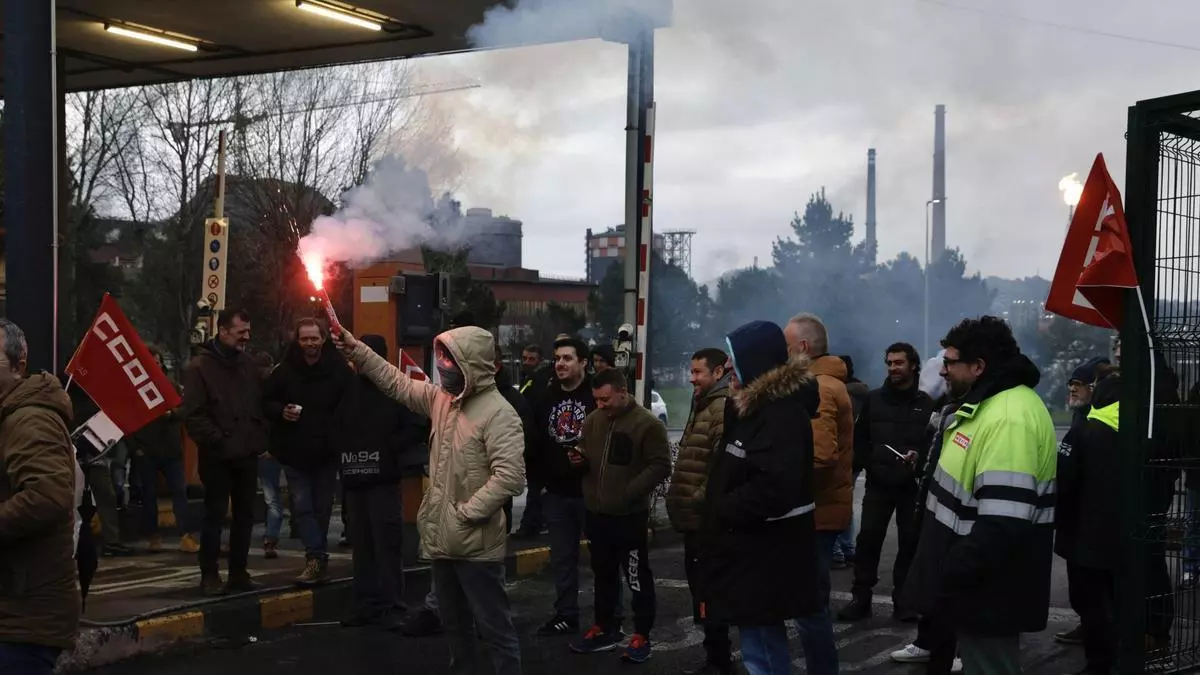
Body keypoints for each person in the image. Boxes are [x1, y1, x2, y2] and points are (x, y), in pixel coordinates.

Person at [334, 325, 525, 675]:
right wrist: (355, 348)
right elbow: (395, 382)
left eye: (450, 359)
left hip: (476, 545)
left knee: (494, 627)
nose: (443, 366)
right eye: (442, 358)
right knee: (454, 624)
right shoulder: (441, 401)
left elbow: (510, 477)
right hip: (443, 540)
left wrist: (466, 514)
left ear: (471, 363)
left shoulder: (499, 413)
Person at [902, 316, 1057, 675]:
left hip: (989, 591)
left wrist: (950, 573)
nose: (943, 371)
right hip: (976, 587)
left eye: (950, 362)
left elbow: (1003, 524)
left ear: (978, 366)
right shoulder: (991, 404)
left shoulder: (1009, 418)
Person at [701, 320, 820, 675]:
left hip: (767, 554)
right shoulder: (753, 408)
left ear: (754, 362)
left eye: (733, 360)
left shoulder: (781, 415)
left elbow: (773, 488)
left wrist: (722, 508)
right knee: (757, 643)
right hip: (752, 551)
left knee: (764, 650)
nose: (728, 369)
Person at [568, 368, 671, 663]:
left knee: (636, 577)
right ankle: (605, 627)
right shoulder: (593, 421)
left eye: (606, 399)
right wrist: (578, 459)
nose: (600, 405)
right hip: (597, 514)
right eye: (597, 400)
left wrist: (629, 491)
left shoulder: (647, 424)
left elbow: (661, 465)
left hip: (629, 516)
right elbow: (587, 455)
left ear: (623, 392)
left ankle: (642, 634)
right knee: (603, 574)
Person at [0, 319, 81, 674]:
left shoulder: (30, 419)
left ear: (18, 366)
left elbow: (46, 496)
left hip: (24, 616)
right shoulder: (10, 416)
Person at [838, 343, 933, 622]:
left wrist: (919, 458)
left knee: (909, 543)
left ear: (913, 365)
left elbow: (932, 443)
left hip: (911, 487)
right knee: (868, 540)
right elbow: (860, 438)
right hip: (878, 484)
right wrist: (870, 462)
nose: (893, 368)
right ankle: (861, 599)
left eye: (898, 363)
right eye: (889, 363)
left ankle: (904, 602)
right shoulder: (874, 399)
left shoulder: (927, 404)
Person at [263, 318, 355, 586]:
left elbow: (351, 405)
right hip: (294, 450)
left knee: (322, 508)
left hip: (327, 451)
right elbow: (266, 401)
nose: (310, 343)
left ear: (323, 339)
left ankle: (317, 558)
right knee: (302, 507)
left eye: (314, 338)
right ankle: (315, 557)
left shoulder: (339, 370)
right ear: (297, 340)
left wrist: (337, 431)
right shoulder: (284, 371)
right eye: (304, 339)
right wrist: (282, 411)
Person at [339, 334, 422, 630]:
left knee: (386, 545)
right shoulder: (347, 389)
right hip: (355, 479)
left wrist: (387, 448)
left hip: (383, 480)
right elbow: (335, 424)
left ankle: (392, 605)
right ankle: (367, 605)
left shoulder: (395, 388)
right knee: (362, 546)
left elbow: (416, 426)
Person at [782, 313, 850, 675]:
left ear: (803, 347)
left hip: (817, 511)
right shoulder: (822, 383)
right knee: (811, 603)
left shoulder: (819, 388)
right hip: (821, 509)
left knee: (810, 607)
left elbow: (820, 456)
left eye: (787, 346)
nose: (783, 353)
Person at [183, 309, 268, 596]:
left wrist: (257, 437)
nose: (247, 337)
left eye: (248, 331)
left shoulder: (247, 365)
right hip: (217, 455)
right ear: (223, 331)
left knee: (245, 515)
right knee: (215, 514)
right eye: (241, 331)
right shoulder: (199, 368)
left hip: (246, 452)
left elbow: (257, 403)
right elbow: (194, 415)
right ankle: (209, 574)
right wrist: (218, 440)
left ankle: (238, 573)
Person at [666, 347, 733, 675]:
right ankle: (716, 657)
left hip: (705, 522)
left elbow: (721, 466)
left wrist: (697, 498)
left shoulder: (721, 408)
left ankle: (719, 662)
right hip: (695, 521)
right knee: (702, 591)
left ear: (718, 372)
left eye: (698, 372)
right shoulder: (703, 402)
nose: (691, 378)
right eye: (691, 371)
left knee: (709, 592)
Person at [1055, 363, 1120, 675]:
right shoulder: (1135, 428)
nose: (1073, 388)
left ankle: (1099, 665)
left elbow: (1064, 485)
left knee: (1093, 604)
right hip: (1121, 534)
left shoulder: (1083, 432)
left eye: (1081, 383)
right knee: (1115, 601)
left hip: (1085, 535)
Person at [533, 337, 597, 636]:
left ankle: (608, 618)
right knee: (562, 560)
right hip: (556, 494)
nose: (560, 363)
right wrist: (540, 485)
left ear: (583, 362)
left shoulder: (596, 395)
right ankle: (566, 615)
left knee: (603, 560)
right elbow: (535, 442)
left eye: (567, 358)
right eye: (557, 358)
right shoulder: (546, 397)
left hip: (591, 493)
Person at [128, 346, 199, 554]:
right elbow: (128, 420)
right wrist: (135, 448)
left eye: (158, 362)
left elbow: (185, 410)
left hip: (171, 451)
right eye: (152, 362)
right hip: (146, 451)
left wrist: (172, 414)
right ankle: (153, 536)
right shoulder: (135, 390)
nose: (156, 365)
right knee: (149, 495)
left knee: (179, 492)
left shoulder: (172, 386)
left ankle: (185, 535)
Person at [494, 342, 538, 536]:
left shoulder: (511, 400)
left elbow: (525, 438)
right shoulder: (463, 395)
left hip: (497, 481)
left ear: (495, 366)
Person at [833, 354, 869, 570]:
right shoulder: (864, 394)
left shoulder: (838, 394)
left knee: (834, 503)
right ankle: (848, 549)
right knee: (845, 503)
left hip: (841, 455)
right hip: (855, 457)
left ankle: (837, 552)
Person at [515, 344, 551, 538]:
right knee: (535, 486)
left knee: (536, 486)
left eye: (531, 359)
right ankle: (535, 522)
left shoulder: (540, 381)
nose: (526, 362)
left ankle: (531, 525)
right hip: (529, 441)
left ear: (540, 360)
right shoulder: (528, 379)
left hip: (538, 443)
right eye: (525, 358)